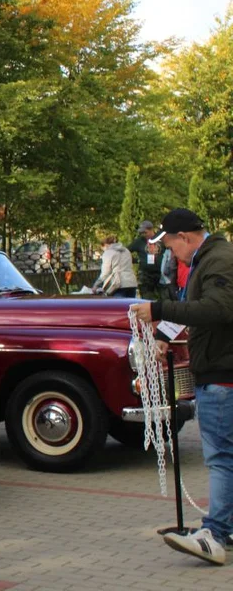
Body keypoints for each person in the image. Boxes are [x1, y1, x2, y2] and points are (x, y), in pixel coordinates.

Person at [130, 208, 233, 565]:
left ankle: (215, 534)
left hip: (222, 374)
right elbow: (196, 306)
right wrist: (162, 336)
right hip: (219, 372)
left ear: (184, 238)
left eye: (170, 245)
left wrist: (159, 308)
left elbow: (218, 310)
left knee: (221, 459)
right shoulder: (209, 259)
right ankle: (226, 528)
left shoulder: (217, 260)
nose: (170, 253)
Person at [129, 220, 162, 298]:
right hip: (145, 275)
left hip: (160, 274)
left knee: (163, 298)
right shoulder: (139, 241)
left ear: (151, 229)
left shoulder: (160, 239)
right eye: (141, 233)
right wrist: (135, 260)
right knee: (147, 298)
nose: (143, 234)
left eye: (145, 232)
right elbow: (125, 251)